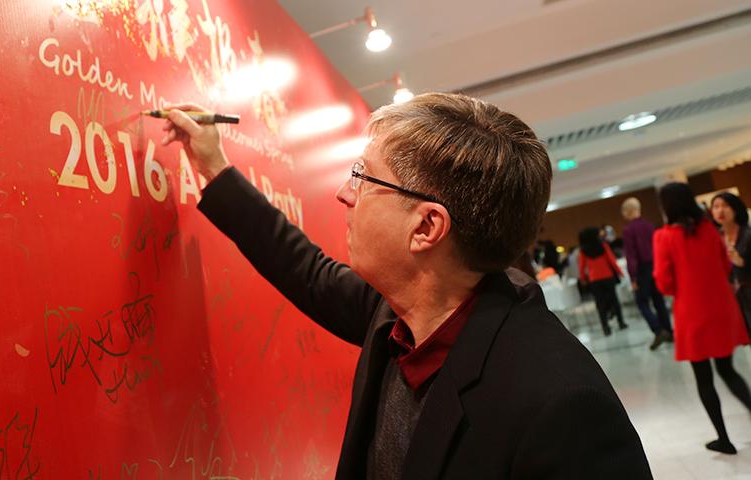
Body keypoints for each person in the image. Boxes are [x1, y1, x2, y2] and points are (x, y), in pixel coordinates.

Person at [161, 93, 651, 478]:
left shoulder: (560, 403)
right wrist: (213, 165)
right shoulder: (397, 313)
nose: (343, 193)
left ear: (426, 228)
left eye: (364, 177)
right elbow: (302, 268)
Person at [654, 183, 751, 455]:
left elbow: (665, 284)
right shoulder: (709, 230)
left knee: (704, 378)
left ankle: (724, 439)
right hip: (721, 308)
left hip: (692, 313)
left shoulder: (664, 237)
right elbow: (724, 267)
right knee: (728, 370)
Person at [620, 197, 673, 350]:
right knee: (658, 300)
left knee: (642, 302)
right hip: (655, 266)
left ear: (628, 211)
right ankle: (669, 330)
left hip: (642, 269)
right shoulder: (649, 226)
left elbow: (631, 256)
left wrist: (633, 277)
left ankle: (658, 330)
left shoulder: (628, 230)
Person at [711, 192, 751, 337]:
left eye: (725, 206)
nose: (720, 210)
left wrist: (741, 262)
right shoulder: (715, 238)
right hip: (733, 299)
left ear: (735, 209)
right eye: (716, 207)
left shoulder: (748, 234)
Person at [578, 227, 628, 336]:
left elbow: (582, 267)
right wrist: (620, 273)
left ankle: (605, 328)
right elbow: (612, 261)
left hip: (595, 280)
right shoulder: (603, 246)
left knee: (600, 304)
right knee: (614, 300)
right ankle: (621, 323)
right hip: (608, 277)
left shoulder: (583, 251)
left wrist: (582, 279)